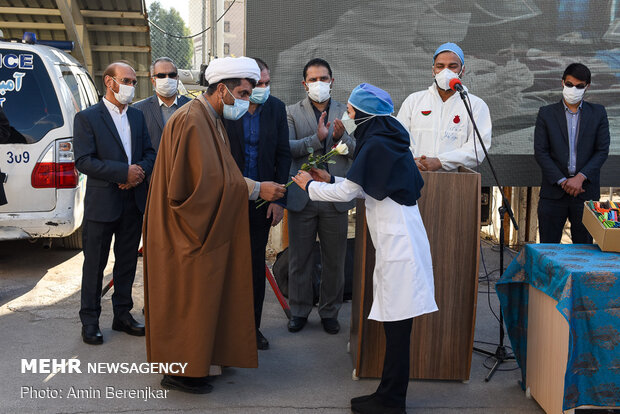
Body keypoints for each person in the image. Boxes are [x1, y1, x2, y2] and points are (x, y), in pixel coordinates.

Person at [292, 83, 438, 414]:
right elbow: (366, 189)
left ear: (365, 114)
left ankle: (392, 400)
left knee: (398, 327)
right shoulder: (385, 140)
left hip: (400, 244)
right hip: (397, 239)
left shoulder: (377, 146)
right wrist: (328, 181)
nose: (348, 115)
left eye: (352, 111)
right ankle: (388, 394)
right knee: (395, 324)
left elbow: (349, 195)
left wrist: (310, 185)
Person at [143, 56, 285, 395]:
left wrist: (249, 186)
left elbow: (221, 174)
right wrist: (256, 189)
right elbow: (203, 186)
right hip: (187, 228)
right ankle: (181, 372)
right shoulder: (194, 120)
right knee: (190, 299)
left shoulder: (210, 117)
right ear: (221, 90)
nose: (246, 101)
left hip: (197, 226)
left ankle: (200, 361)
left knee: (202, 299)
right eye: (244, 93)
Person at [73, 62, 156, 345]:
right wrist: (122, 173)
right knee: (94, 264)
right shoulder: (87, 118)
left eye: (133, 81)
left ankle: (122, 314)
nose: (131, 86)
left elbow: (149, 152)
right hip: (102, 203)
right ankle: (90, 320)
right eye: (127, 80)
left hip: (132, 201)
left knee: (127, 262)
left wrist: (137, 173)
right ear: (109, 82)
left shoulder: (136, 116)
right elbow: (84, 160)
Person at [222, 58, 291, 350]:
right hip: (229, 198)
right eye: (256, 84)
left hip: (263, 203)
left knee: (253, 267)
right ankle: (225, 328)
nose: (261, 89)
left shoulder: (275, 108)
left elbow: (282, 154)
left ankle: (252, 327)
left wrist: (279, 200)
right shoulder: (228, 108)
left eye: (266, 83)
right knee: (225, 265)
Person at [286, 58, 356, 334]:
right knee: (299, 258)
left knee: (334, 260)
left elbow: (356, 150)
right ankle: (299, 310)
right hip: (302, 196)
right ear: (304, 84)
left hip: (334, 195)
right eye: (313, 80)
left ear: (332, 81)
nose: (319, 84)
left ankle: (330, 312)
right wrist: (316, 139)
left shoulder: (346, 112)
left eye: (323, 79)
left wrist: (342, 138)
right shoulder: (291, 112)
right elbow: (289, 148)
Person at [534, 63, 610, 243]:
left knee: (584, 250)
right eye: (569, 84)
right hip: (553, 193)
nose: (573, 89)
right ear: (562, 82)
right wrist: (563, 181)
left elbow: (602, 151)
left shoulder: (598, 113)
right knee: (548, 250)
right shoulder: (546, 113)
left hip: (585, 192)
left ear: (587, 87)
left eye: (579, 86)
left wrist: (580, 178)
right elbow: (541, 152)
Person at [397, 42, 492, 171]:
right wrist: (412, 161)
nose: (445, 71)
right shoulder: (413, 101)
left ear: (462, 70)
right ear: (433, 70)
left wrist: (440, 162)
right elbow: (397, 140)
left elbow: (477, 149)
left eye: (452, 66)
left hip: (454, 182)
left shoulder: (475, 105)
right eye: (440, 66)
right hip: (412, 176)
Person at [133, 57, 191, 152]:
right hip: (154, 165)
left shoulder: (192, 106)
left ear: (177, 78)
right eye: (161, 76)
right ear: (153, 81)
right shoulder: (139, 109)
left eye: (172, 75)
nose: (167, 79)